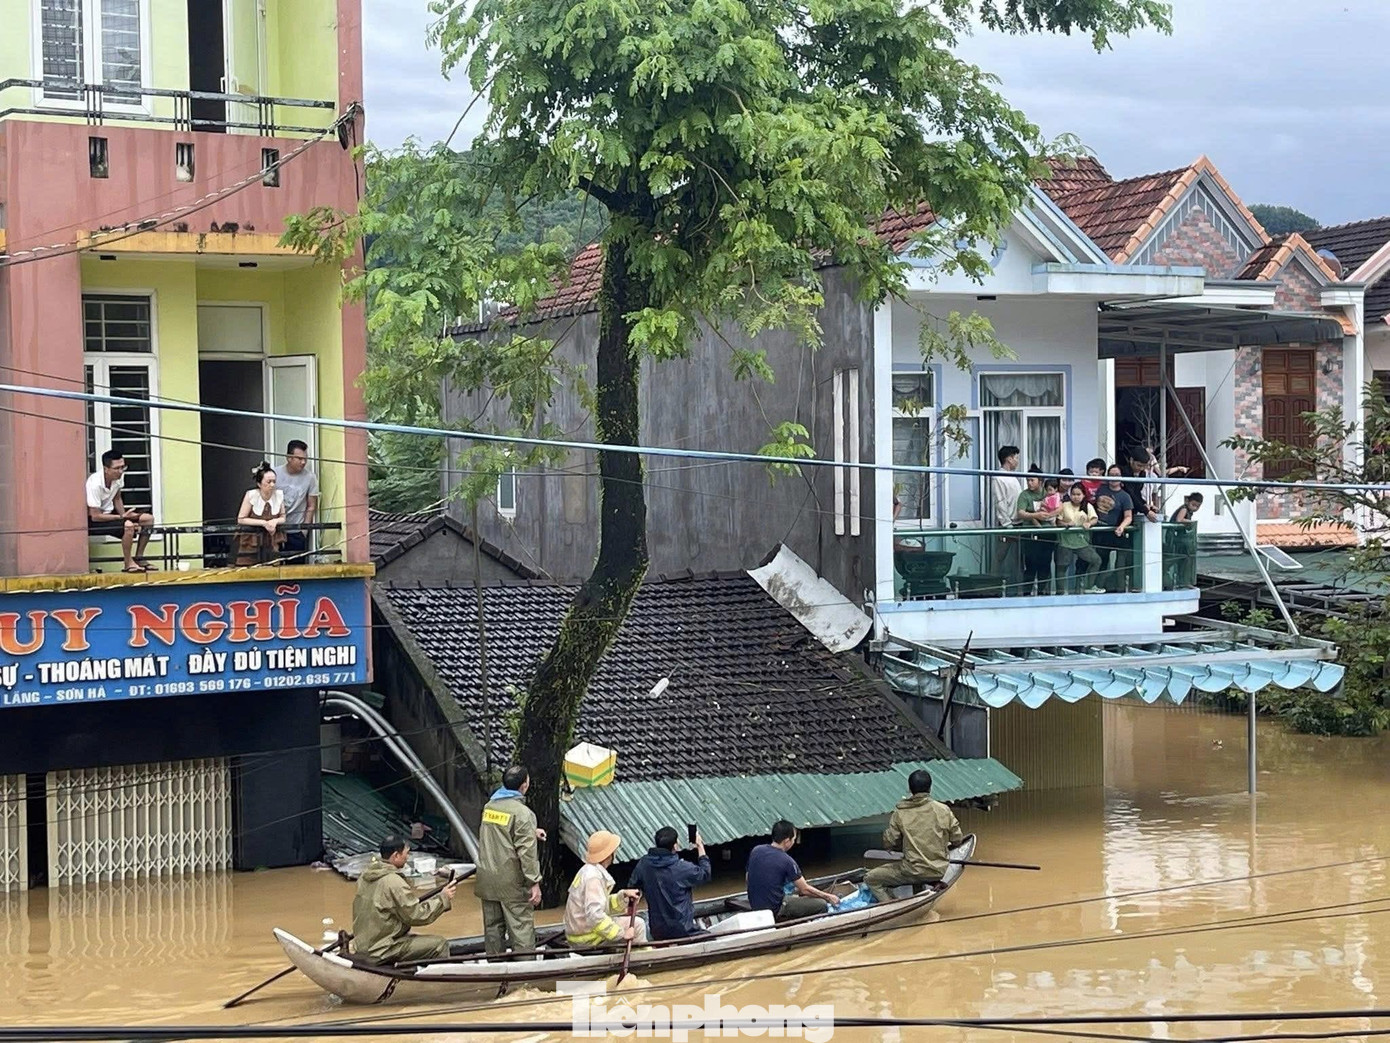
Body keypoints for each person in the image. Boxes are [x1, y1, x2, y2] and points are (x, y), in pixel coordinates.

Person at [351, 834, 458, 964]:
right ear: (396, 855)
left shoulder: (365, 876)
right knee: (440, 944)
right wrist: (443, 899)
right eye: (406, 854)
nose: (407, 858)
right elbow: (416, 916)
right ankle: (437, 982)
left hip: (364, 945)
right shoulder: (394, 882)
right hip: (383, 949)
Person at [865, 769, 963, 904]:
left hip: (913, 870)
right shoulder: (944, 810)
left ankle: (891, 906)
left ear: (910, 789)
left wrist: (902, 843)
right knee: (916, 873)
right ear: (930, 788)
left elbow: (889, 843)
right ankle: (920, 898)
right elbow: (957, 839)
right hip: (938, 870)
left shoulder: (900, 813)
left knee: (870, 878)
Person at [476, 765, 545, 956]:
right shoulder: (523, 814)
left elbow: (499, 835)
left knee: (493, 930)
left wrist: (531, 832)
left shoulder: (489, 807)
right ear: (524, 785)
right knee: (521, 930)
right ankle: (524, 978)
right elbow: (527, 853)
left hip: (487, 878)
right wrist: (534, 882)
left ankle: (494, 976)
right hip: (511, 882)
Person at [746, 820, 841, 922]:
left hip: (755, 906)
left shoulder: (756, 850)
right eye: (794, 839)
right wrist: (828, 897)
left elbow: (748, 878)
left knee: (794, 893)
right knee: (821, 904)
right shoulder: (787, 861)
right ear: (787, 841)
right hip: (775, 910)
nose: (794, 842)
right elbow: (805, 889)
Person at [627, 826, 711, 940]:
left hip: (657, 931)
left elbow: (632, 888)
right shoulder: (681, 868)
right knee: (712, 938)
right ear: (675, 846)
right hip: (683, 931)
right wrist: (700, 846)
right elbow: (705, 873)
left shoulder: (644, 864)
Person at [565, 830, 646, 947]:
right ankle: (643, 961)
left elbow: (601, 904)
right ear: (609, 854)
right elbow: (595, 916)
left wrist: (623, 896)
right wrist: (621, 934)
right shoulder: (594, 878)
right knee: (638, 925)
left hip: (579, 933)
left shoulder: (587, 870)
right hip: (587, 938)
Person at [86, 449, 155, 573]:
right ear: (106, 469)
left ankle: (139, 557)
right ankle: (128, 563)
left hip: (111, 515)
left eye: (123, 467)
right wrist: (122, 518)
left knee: (148, 519)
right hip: (95, 520)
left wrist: (125, 516)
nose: (121, 471)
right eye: (117, 468)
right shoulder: (94, 483)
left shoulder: (118, 478)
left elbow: (117, 498)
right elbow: (95, 516)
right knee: (128, 526)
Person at [1014, 466, 1058, 595]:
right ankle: (1027, 594)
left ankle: (1042, 592)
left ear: (1040, 481)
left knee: (1045, 565)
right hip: (1030, 534)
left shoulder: (1048, 493)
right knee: (1030, 565)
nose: (1029, 483)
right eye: (1028, 480)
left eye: (1032, 480)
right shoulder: (1024, 495)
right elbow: (1020, 513)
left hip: (1047, 534)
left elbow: (1058, 507)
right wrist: (1035, 516)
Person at [235, 462, 288, 566]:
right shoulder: (252, 495)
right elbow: (241, 519)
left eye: (274, 481)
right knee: (247, 567)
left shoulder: (278, 495)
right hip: (251, 540)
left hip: (271, 540)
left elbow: (283, 517)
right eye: (268, 482)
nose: (272, 485)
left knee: (273, 567)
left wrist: (275, 521)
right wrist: (263, 523)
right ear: (259, 484)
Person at [1091, 466, 1135, 592]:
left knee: (1120, 563)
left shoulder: (1125, 496)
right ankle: (1096, 586)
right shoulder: (1100, 489)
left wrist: (1121, 527)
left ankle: (1120, 588)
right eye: (1111, 474)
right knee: (1100, 561)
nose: (1113, 478)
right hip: (1099, 532)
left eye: (1116, 475)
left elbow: (1128, 516)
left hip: (1115, 532)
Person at [1055, 483, 1103, 593]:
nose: (1075, 497)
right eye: (1073, 494)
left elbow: (1095, 519)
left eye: (1078, 494)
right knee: (1062, 566)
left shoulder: (1088, 506)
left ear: (1083, 495)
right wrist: (1065, 524)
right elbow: (1058, 521)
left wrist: (1089, 523)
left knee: (1096, 561)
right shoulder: (1064, 505)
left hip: (1081, 541)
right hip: (1066, 541)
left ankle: (1089, 587)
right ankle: (1060, 592)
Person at [278, 440, 320, 560]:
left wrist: (304, 530)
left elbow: (311, 505)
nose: (303, 462)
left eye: (305, 459)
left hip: (297, 532)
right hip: (276, 530)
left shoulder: (310, 478)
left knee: (296, 569)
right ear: (289, 458)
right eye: (299, 459)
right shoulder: (275, 474)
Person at [989, 445, 1024, 583]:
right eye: (1016, 458)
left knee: (1020, 558)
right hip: (1008, 524)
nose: (1017, 461)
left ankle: (1021, 589)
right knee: (1000, 556)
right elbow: (1000, 502)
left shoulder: (1013, 477)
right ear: (1009, 459)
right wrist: (1006, 524)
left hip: (1020, 522)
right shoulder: (999, 477)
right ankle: (992, 586)